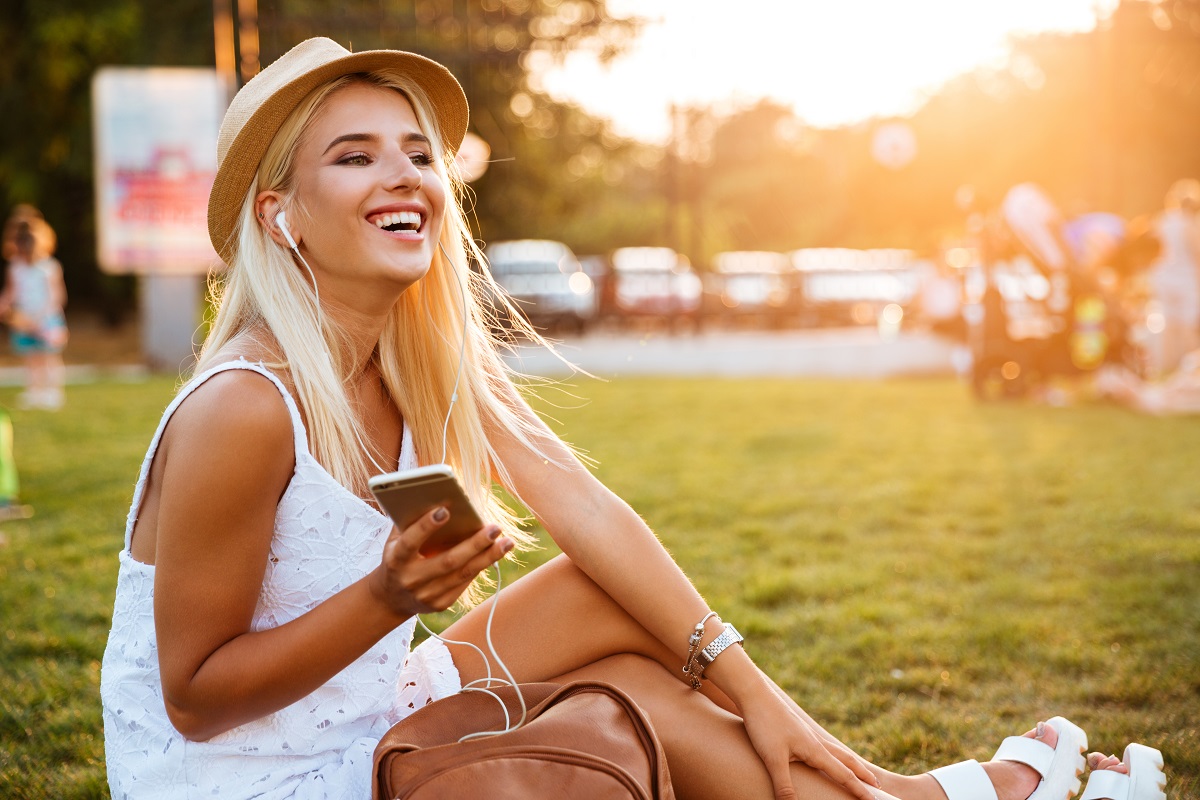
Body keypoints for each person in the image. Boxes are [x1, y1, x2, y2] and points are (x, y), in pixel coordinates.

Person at [100, 38, 1164, 800]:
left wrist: (761, 693)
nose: (406, 175)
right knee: (623, 707)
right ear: (279, 216)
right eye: (355, 154)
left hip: (351, 703)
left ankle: (881, 789)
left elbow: (586, 509)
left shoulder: (410, 364)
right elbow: (197, 698)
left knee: (599, 597)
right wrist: (390, 594)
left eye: (418, 152)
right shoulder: (245, 405)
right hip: (247, 774)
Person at [0, 209, 68, 410]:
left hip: (46, 321)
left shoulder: (49, 267)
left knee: (49, 357)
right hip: (24, 319)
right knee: (31, 357)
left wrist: (40, 318)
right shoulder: (15, 267)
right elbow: (11, 292)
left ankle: (53, 392)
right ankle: (35, 391)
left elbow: (57, 296)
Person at [1145, 178, 1200, 378]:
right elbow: (1197, 256)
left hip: (1162, 278)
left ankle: (1165, 369)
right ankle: (1192, 371)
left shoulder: (1162, 221)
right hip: (1186, 280)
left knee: (1167, 325)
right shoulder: (1190, 224)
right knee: (1188, 326)